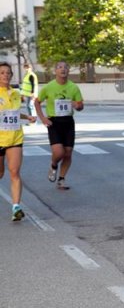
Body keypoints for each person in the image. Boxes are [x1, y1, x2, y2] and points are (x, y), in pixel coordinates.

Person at [34, 61, 84, 190]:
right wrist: (43, 118)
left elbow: (80, 106)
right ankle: (54, 165)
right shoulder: (48, 87)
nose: (63, 69)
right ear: (55, 71)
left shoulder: (73, 87)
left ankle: (61, 179)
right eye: (60, 67)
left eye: (66, 67)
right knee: (59, 152)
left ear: (68, 71)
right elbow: (37, 102)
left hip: (68, 122)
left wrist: (77, 105)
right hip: (54, 122)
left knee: (68, 153)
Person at [0, 62, 37, 221]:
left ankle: (16, 207)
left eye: (8, 73)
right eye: (2, 73)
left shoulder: (15, 93)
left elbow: (13, 113)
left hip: (15, 137)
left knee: (14, 172)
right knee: (0, 173)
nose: (5, 75)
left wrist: (26, 117)